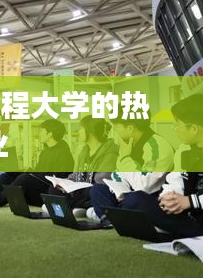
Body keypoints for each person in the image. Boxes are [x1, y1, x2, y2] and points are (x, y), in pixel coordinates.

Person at [134, 93, 203, 237]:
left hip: (194, 208)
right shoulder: (185, 151)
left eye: (177, 124)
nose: (175, 129)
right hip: (190, 215)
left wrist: (191, 201)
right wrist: (168, 199)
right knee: (137, 200)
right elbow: (176, 180)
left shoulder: (156, 145)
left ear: (193, 129)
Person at [89, 112, 174, 224]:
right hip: (129, 196)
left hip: (152, 198)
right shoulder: (128, 144)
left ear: (130, 128)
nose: (115, 130)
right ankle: (111, 217)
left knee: (134, 199)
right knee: (97, 190)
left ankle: (109, 215)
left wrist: (126, 158)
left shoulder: (157, 146)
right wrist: (119, 191)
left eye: (116, 126)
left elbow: (145, 186)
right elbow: (118, 175)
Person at [0, 119, 74, 208]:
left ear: (50, 134)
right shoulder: (45, 151)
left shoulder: (63, 153)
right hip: (38, 185)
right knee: (7, 175)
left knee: (24, 178)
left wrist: (31, 173)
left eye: (42, 131)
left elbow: (59, 179)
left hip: (47, 192)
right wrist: (27, 170)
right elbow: (39, 172)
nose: (39, 134)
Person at [47, 116, 118, 212]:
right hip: (81, 190)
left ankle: (70, 208)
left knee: (90, 192)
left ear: (91, 131)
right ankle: (74, 208)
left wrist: (79, 186)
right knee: (54, 189)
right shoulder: (84, 152)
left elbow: (102, 180)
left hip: (94, 191)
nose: (79, 132)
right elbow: (76, 175)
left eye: (81, 128)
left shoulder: (110, 152)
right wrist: (63, 183)